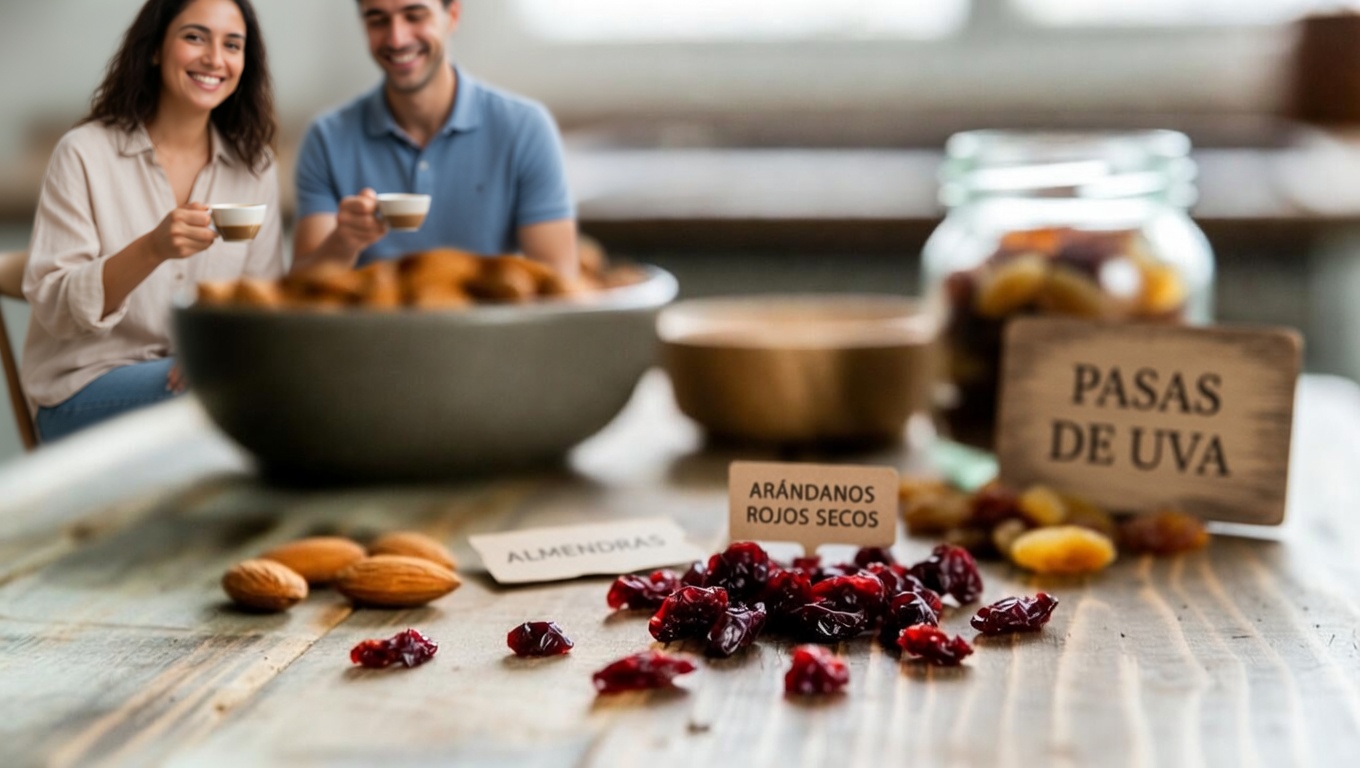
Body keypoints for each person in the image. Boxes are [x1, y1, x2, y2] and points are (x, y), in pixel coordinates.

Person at [22, 0, 283, 442]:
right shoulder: (85, 153)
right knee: (232, 394)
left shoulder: (254, 167)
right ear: (156, 49)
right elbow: (55, 309)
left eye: (232, 45)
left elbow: (262, 300)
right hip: (83, 389)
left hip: (202, 383)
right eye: (195, 37)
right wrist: (152, 249)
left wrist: (215, 353)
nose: (214, 58)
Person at [292, 0, 577, 275]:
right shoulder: (327, 139)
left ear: (452, 16)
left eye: (415, 16)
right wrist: (343, 242)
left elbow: (559, 285)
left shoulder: (524, 129)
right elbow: (301, 292)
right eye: (378, 20)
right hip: (372, 311)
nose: (397, 39)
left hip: (489, 310)